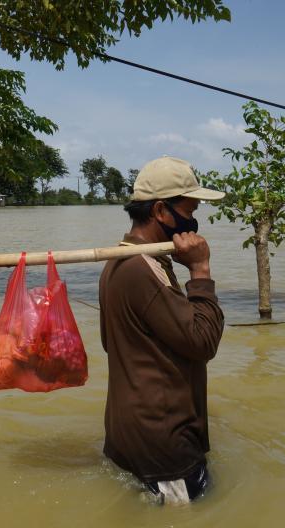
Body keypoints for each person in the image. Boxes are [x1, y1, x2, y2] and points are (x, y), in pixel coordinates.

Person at [98, 156, 226, 505]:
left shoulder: (120, 261)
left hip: (129, 436)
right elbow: (203, 342)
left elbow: (112, 344)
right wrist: (200, 271)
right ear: (160, 211)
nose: (194, 220)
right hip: (164, 444)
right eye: (190, 210)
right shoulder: (142, 270)